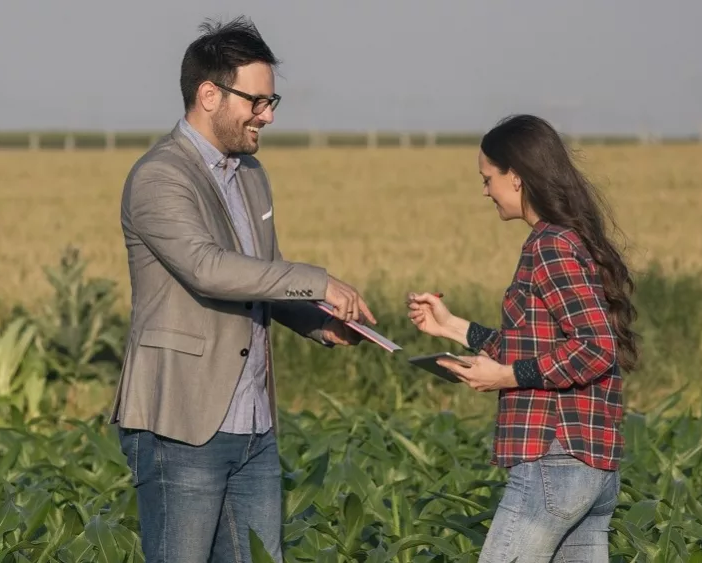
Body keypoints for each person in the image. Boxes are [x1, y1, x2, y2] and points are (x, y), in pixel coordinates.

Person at [108, 16, 375, 563]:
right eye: (257, 101)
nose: (268, 115)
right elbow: (209, 269)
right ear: (209, 94)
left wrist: (319, 321)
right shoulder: (160, 176)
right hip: (182, 422)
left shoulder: (250, 172)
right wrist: (318, 279)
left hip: (254, 423)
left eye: (273, 100)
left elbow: (262, 273)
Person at [406, 114, 639, 562]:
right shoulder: (570, 240)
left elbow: (595, 347)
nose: (485, 190)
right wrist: (452, 327)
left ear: (515, 176)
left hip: (555, 456)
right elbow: (539, 342)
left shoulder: (549, 245)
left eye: (487, 178)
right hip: (590, 464)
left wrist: (507, 377)